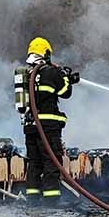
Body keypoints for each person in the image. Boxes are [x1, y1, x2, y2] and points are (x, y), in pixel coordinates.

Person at [19, 37, 79, 205]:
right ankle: (51, 203)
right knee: (51, 163)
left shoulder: (27, 74)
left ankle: (32, 201)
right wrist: (66, 77)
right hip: (48, 128)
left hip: (30, 127)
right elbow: (65, 92)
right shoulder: (50, 72)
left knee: (34, 163)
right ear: (45, 53)